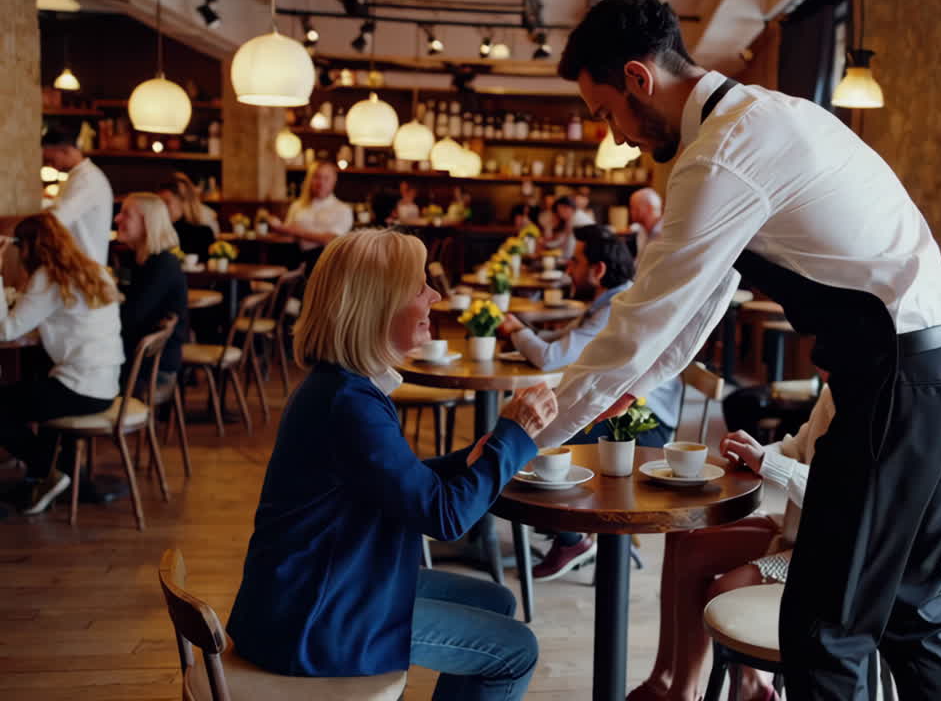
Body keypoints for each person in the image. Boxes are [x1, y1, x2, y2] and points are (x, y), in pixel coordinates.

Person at [549, 0, 941, 699]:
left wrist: (532, 431)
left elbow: (643, 318)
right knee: (911, 612)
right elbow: (694, 308)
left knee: (823, 633)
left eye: (608, 114)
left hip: (893, 388)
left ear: (638, 78)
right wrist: (632, 382)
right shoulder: (770, 118)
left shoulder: (723, 155)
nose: (619, 136)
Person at [227, 229, 554, 700]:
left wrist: (475, 455)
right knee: (516, 648)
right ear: (378, 305)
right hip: (316, 618)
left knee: (498, 599)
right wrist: (513, 437)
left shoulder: (343, 388)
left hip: (320, 589)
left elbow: (398, 482)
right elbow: (445, 517)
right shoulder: (349, 403)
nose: (434, 296)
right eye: (420, 287)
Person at [498, 225, 681, 580]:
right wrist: (525, 332)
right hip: (624, 410)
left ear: (597, 270)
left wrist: (519, 332)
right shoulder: (611, 299)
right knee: (535, 427)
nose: (568, 268)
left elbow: (551, 357)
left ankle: (573, 537)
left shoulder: (617, 306)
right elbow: (566, 340)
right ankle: (564, 520)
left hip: (643, 425)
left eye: (576, 261)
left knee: (537, 444)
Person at [632, 385, 833, 701]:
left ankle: (749, 689)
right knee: (683, 538)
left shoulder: (873, 392)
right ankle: (674, 684)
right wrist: (756, 452)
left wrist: (767, 463)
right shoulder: (835, 388)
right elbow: (797, 446)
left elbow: (844, 498)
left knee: (723, 588)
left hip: (834, 553)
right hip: (800, 532)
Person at [0, 213, 124, 516]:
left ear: (29, 246)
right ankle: (47, 475)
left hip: (78, 388)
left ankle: (47, 471)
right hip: (104, 384)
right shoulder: (93, 270)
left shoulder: (48, 278)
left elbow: (6, 330)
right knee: (25, 392)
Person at [114, 192, 189, 391]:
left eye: (126, 214)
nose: (117, 218)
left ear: (148, 222)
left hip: (151, 369)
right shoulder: (133, 259)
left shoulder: (162, 265)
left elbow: (129, 318)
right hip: (131, 359)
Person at [41, 125, 113, 264]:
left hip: (87, 270)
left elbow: (57, 219)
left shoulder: (88, 180)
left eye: (51, 159)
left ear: (65, 150)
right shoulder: (75, 177)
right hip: (77, 267)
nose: (51, 165)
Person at [270, 161, 354, 268]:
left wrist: (296, 231)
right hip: (295, 259)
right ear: (309, 180)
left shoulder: (343, 209)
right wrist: (276, 227)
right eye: (317, 177)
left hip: (327, 263)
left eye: (326, 178)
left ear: (334, 181)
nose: (321, 183)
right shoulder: (297, 205)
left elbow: (330, 239)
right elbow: (288, 233)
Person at [157, 179, 216, 261]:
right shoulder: (156, 232)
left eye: (167, 202)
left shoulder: (203, 233)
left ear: (182, 202)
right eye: (159, 203)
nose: (162, 207)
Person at [628, 187, 663, 254]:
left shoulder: (665, 232)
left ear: (649, 208)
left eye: (634, 207)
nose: (631, 212)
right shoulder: (641, 230)